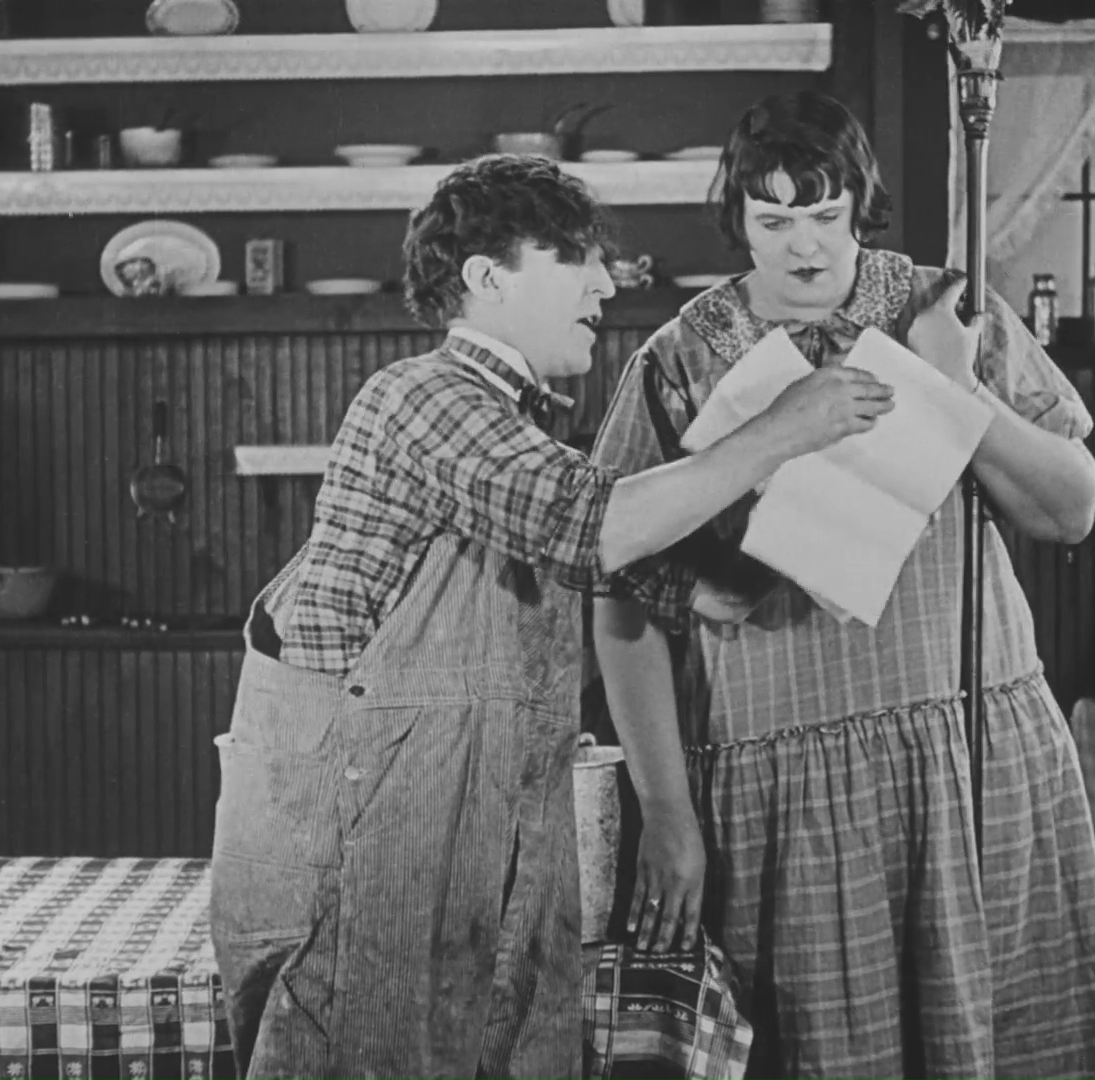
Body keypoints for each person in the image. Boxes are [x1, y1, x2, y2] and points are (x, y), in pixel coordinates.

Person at [207, 153, 897, 1080]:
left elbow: (714, 593)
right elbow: (593, 527)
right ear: (487, 279)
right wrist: (782, 427)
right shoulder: (423, 398)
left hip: (472, 862)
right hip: (362, 869)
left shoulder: (524, 440)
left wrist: (821, 472)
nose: (607, 283)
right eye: (576, 257)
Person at [590, 91, 1095, 1080]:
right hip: (785, 790)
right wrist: (665, 808)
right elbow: (619, 600)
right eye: (773, 220)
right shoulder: (677, 361)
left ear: (861, 205)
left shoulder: (946, 312)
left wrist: (953, 385)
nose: (803, 247)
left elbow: (1071, 510)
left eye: (825, 214)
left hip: (970, 752)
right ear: (737, 218)